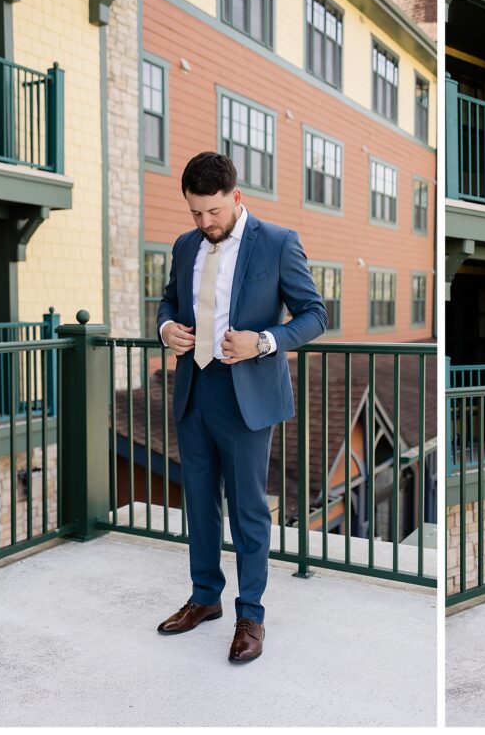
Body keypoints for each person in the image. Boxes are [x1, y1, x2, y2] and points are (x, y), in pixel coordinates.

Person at [155, 151, 327, 663]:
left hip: (246, 395)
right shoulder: (185, 245)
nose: (205, 223)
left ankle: (250, 613)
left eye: (213, 211)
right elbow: (168, 301)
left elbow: (315, 315)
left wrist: (266, 341)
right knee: (200, 503)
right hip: (193, 389)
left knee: (248, 509)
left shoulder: (277, 242)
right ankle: (204, 597)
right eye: (195, 213)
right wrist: (166, 329)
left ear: (236, 197)